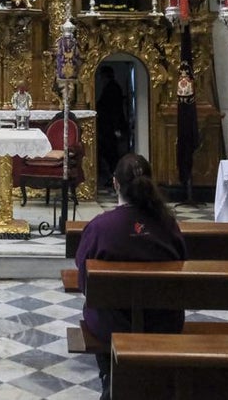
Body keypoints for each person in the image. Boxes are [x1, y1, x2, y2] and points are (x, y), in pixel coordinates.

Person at [75, 153, 186, 400]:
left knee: (98, 309)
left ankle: (111, 378)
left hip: (112, 324)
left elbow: (84, 282)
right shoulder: (168, 225)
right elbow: (182, 264)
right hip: (163, 322)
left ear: (115, 183)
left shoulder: (101, 227)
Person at [95, 66, 128, 186]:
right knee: (108, 152)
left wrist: (116, 128)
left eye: (101, 76)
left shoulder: (112, 88)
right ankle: (113, 176)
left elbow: (113, 110)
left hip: (110, 126)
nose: (100, 78)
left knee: (111, 152)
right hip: (108, 126)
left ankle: (115, 176)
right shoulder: (111, 87)